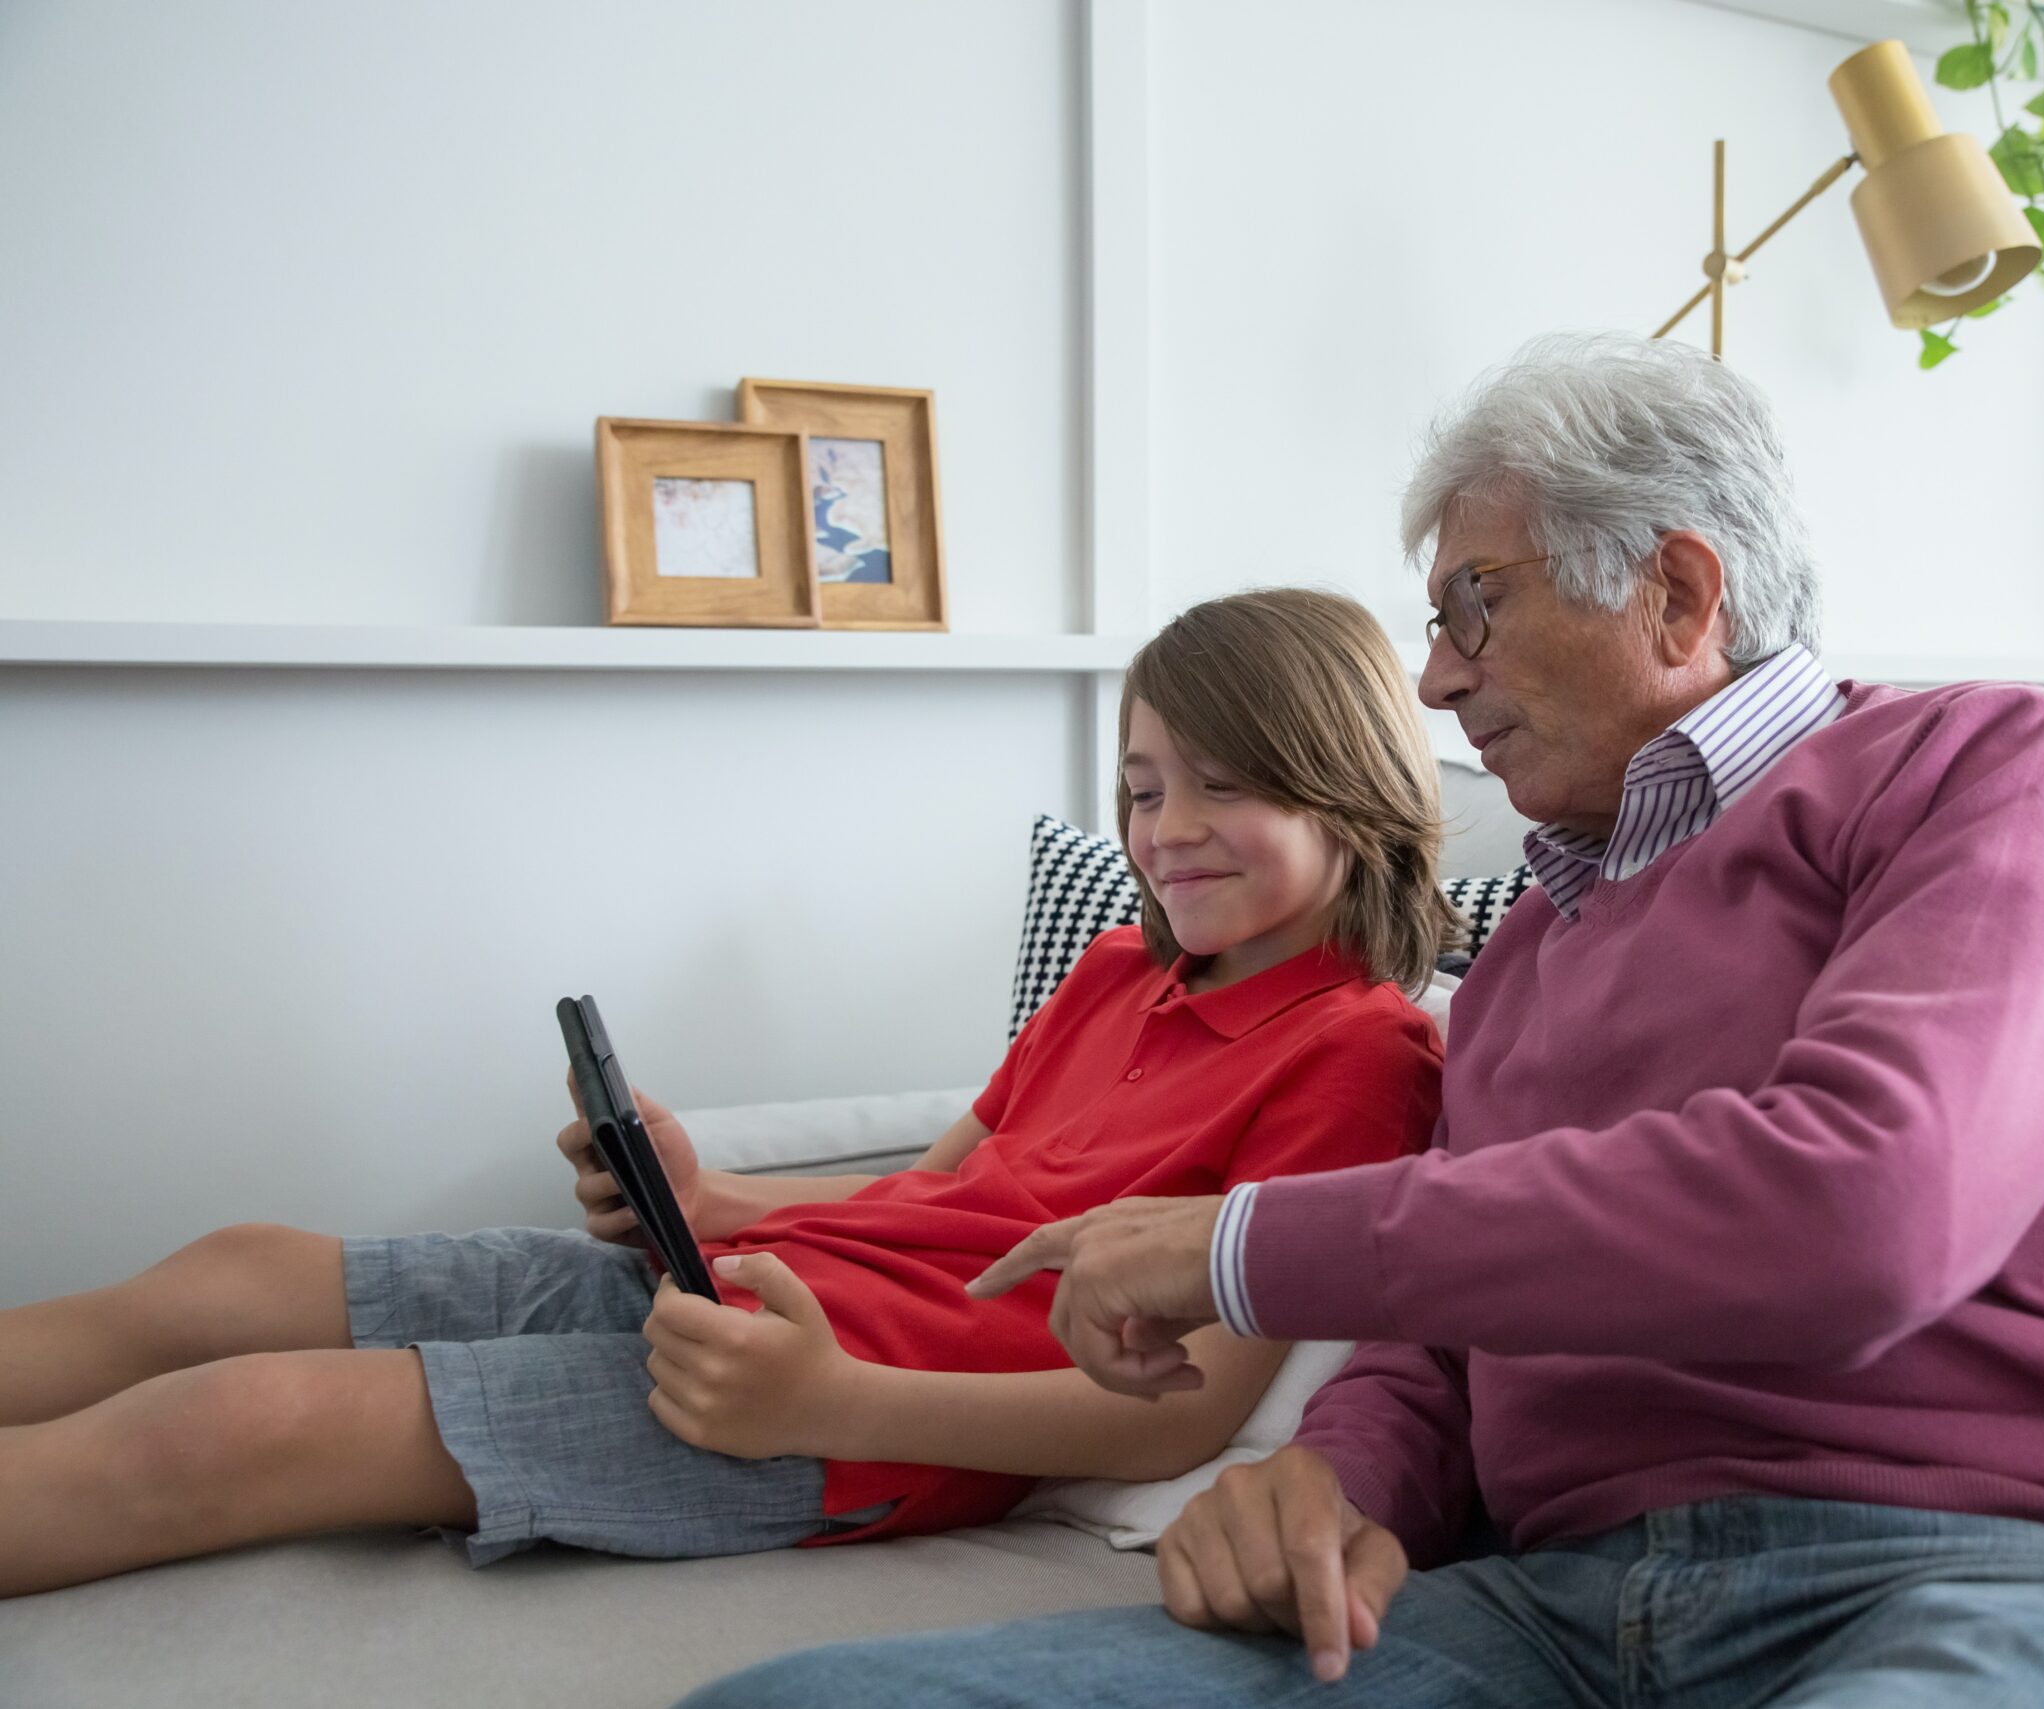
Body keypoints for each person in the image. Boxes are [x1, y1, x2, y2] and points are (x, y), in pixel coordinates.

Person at [681, 334, 2044, 1709]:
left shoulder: (1986, 770)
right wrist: (1332, 1483)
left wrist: (1238, 1248)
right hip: (1559, 1616)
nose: (1430, 679)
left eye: (1470, 603)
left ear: (1679, 597)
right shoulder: (1539, 932)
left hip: (2026, 1571)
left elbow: (1864, 1205)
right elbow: (1442, 1346)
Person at [0, 588, 1451, 1598]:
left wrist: (823, 1395)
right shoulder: (1118, 971)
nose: (1166, 830)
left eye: (1220, 786)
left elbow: (1174, 1420)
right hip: (741, 1300)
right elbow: (936, 1190)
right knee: (239, 1269)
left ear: (1352, 783)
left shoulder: (1361, 1053)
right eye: (1141, 788)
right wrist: (706, 1196)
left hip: (845, 1416)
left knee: (243, 1424)